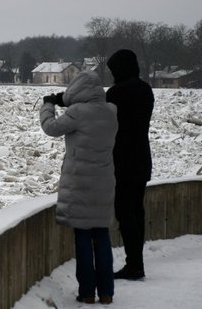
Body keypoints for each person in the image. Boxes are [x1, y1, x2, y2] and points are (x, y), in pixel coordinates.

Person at [40, 70, 118, 305]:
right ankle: (106, 293)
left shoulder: (77, 113)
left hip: (80, 184)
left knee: (83, 239)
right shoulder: (111, 111)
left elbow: (51, 128)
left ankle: (87, 292)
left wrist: (48, 105)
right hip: (104, 183)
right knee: (102, 238)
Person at [106, 49, 154, 280]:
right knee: (137, 210)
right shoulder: (146, 90)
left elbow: (104, 121)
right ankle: (137, 263)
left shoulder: (116, 93)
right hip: (142, 158)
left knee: (124, 213)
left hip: (122, 160)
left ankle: (133, 265)